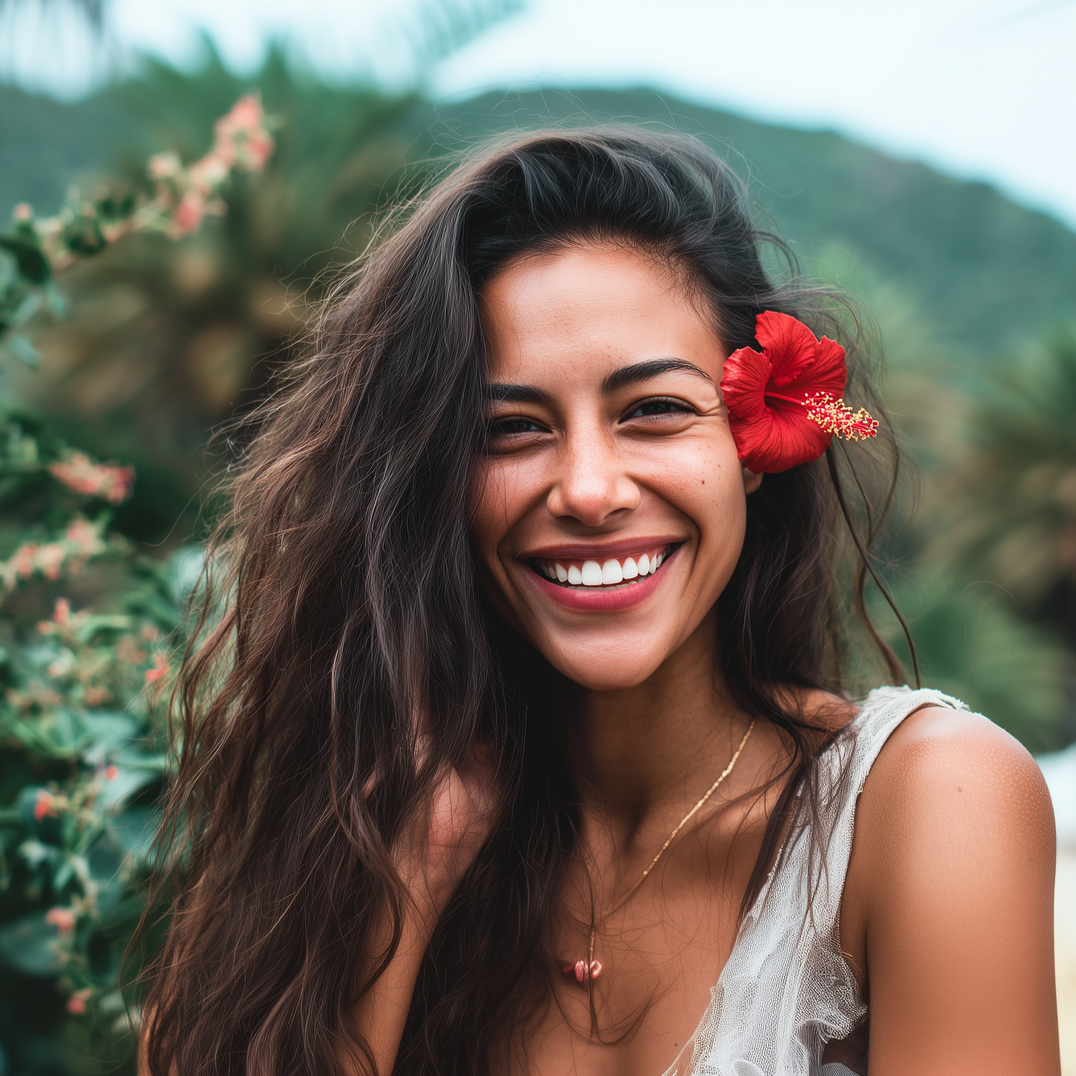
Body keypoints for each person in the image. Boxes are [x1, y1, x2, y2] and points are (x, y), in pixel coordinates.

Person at [138, 130, 1060, 1076]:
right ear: (433, 483)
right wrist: (401, 873)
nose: (587, 490)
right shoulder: (376, 821)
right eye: (510, 429)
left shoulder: (931, 801)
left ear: (753, 445)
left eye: (654, 411)